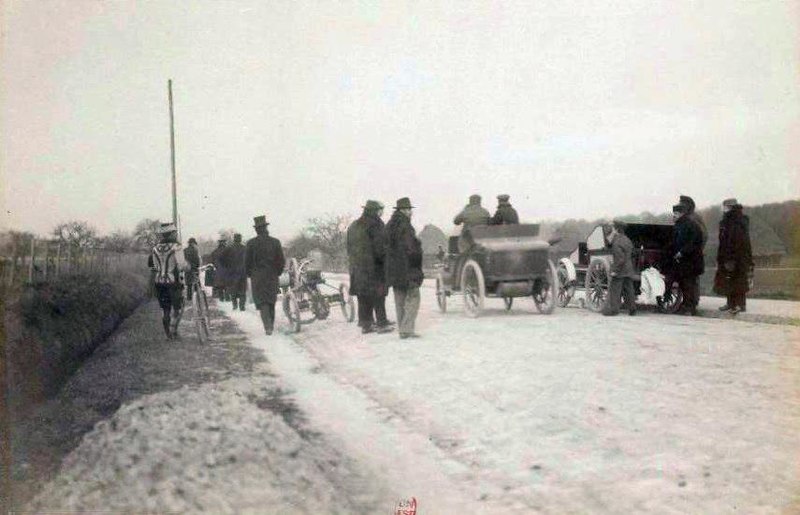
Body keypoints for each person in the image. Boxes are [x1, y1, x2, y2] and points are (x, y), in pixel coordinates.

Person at [346, 200, 393, 334]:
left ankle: (366, 324)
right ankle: (382, 323)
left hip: (357, 268)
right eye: (380, 210)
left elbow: (349, 248)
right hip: (374, 268)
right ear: (375, 211)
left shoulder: (354, 225)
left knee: (363, 296)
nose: (381, 213)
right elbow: (380, 248)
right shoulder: (376, 224)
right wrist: (385, 260)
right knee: (379, 296)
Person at [386, 197, 424, 339]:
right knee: (414, 297)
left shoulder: (389, 225)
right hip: (407, 268)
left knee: (399, 299)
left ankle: (402, 330)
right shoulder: (406, 226)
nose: (410, 212)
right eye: (408, 210)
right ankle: (407, 329)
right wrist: (418, 249)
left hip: (394, 270)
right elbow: (410, 249)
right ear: (403, 210)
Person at [245, 215, 286, 335]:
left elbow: (247, 262)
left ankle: (267, 327)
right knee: (271, 300)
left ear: (256, 229)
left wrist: (250, 274)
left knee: (262, 302)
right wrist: (277, 272)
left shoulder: (251, 243)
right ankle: (271, 325)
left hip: (257, 277)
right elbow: (281, 261)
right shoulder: (275, 242)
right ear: (266, 228)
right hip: (272, 275)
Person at [147, 222, 188, 339]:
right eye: (175, 233)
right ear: (171, 234)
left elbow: (154, 266)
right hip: (173, 282)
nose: (176, 235)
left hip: (159, 282)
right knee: (177, 308)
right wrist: (188, 266)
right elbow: (181, 265)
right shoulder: (177, 247)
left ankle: (168, 335)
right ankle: (174, 331)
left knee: (165, 309)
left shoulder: (155, 249)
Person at [715, 198, 753, 314]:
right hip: (727, 255)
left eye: (726, 207)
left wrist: (732, 257)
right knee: (728, 279)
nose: (724, 209)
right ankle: (730, 303)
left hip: (737, 256)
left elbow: (738, 241)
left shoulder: (737, 221)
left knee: (739, 279)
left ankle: (740, 305)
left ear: (730, 207)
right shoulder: (726, 221)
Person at [670, 203, 705, 315]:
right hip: (685, 261)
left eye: (675, 213)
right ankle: (686, 305)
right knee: (685, 283)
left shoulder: (690, 225)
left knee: (689, 283)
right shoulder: (681, 225)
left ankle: (689, 307)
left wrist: (682, 252)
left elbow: (694, 243)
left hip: (691, 260)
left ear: (681, 213)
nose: (674, 215)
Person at [602, 221, 637, 316]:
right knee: (629, 290)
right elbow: (632, 254)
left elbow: (620, 259)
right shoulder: (627, 240)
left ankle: (613, 310)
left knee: (615, 290)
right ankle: (632, 309)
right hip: (629, 269)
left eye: (613, 228)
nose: (611, 229)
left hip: (620, 270)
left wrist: (615, 271)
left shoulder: (617, 242)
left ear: (616, 230)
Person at [223, 233, 248, 311]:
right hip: (243, 272)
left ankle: (235, 305)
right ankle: (242, 306)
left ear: (234, 239)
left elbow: (223, 260)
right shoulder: (245, 248)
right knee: (242, 289)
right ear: (240, 239)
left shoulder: (228, 248)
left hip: (232, 272)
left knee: (233, 289)